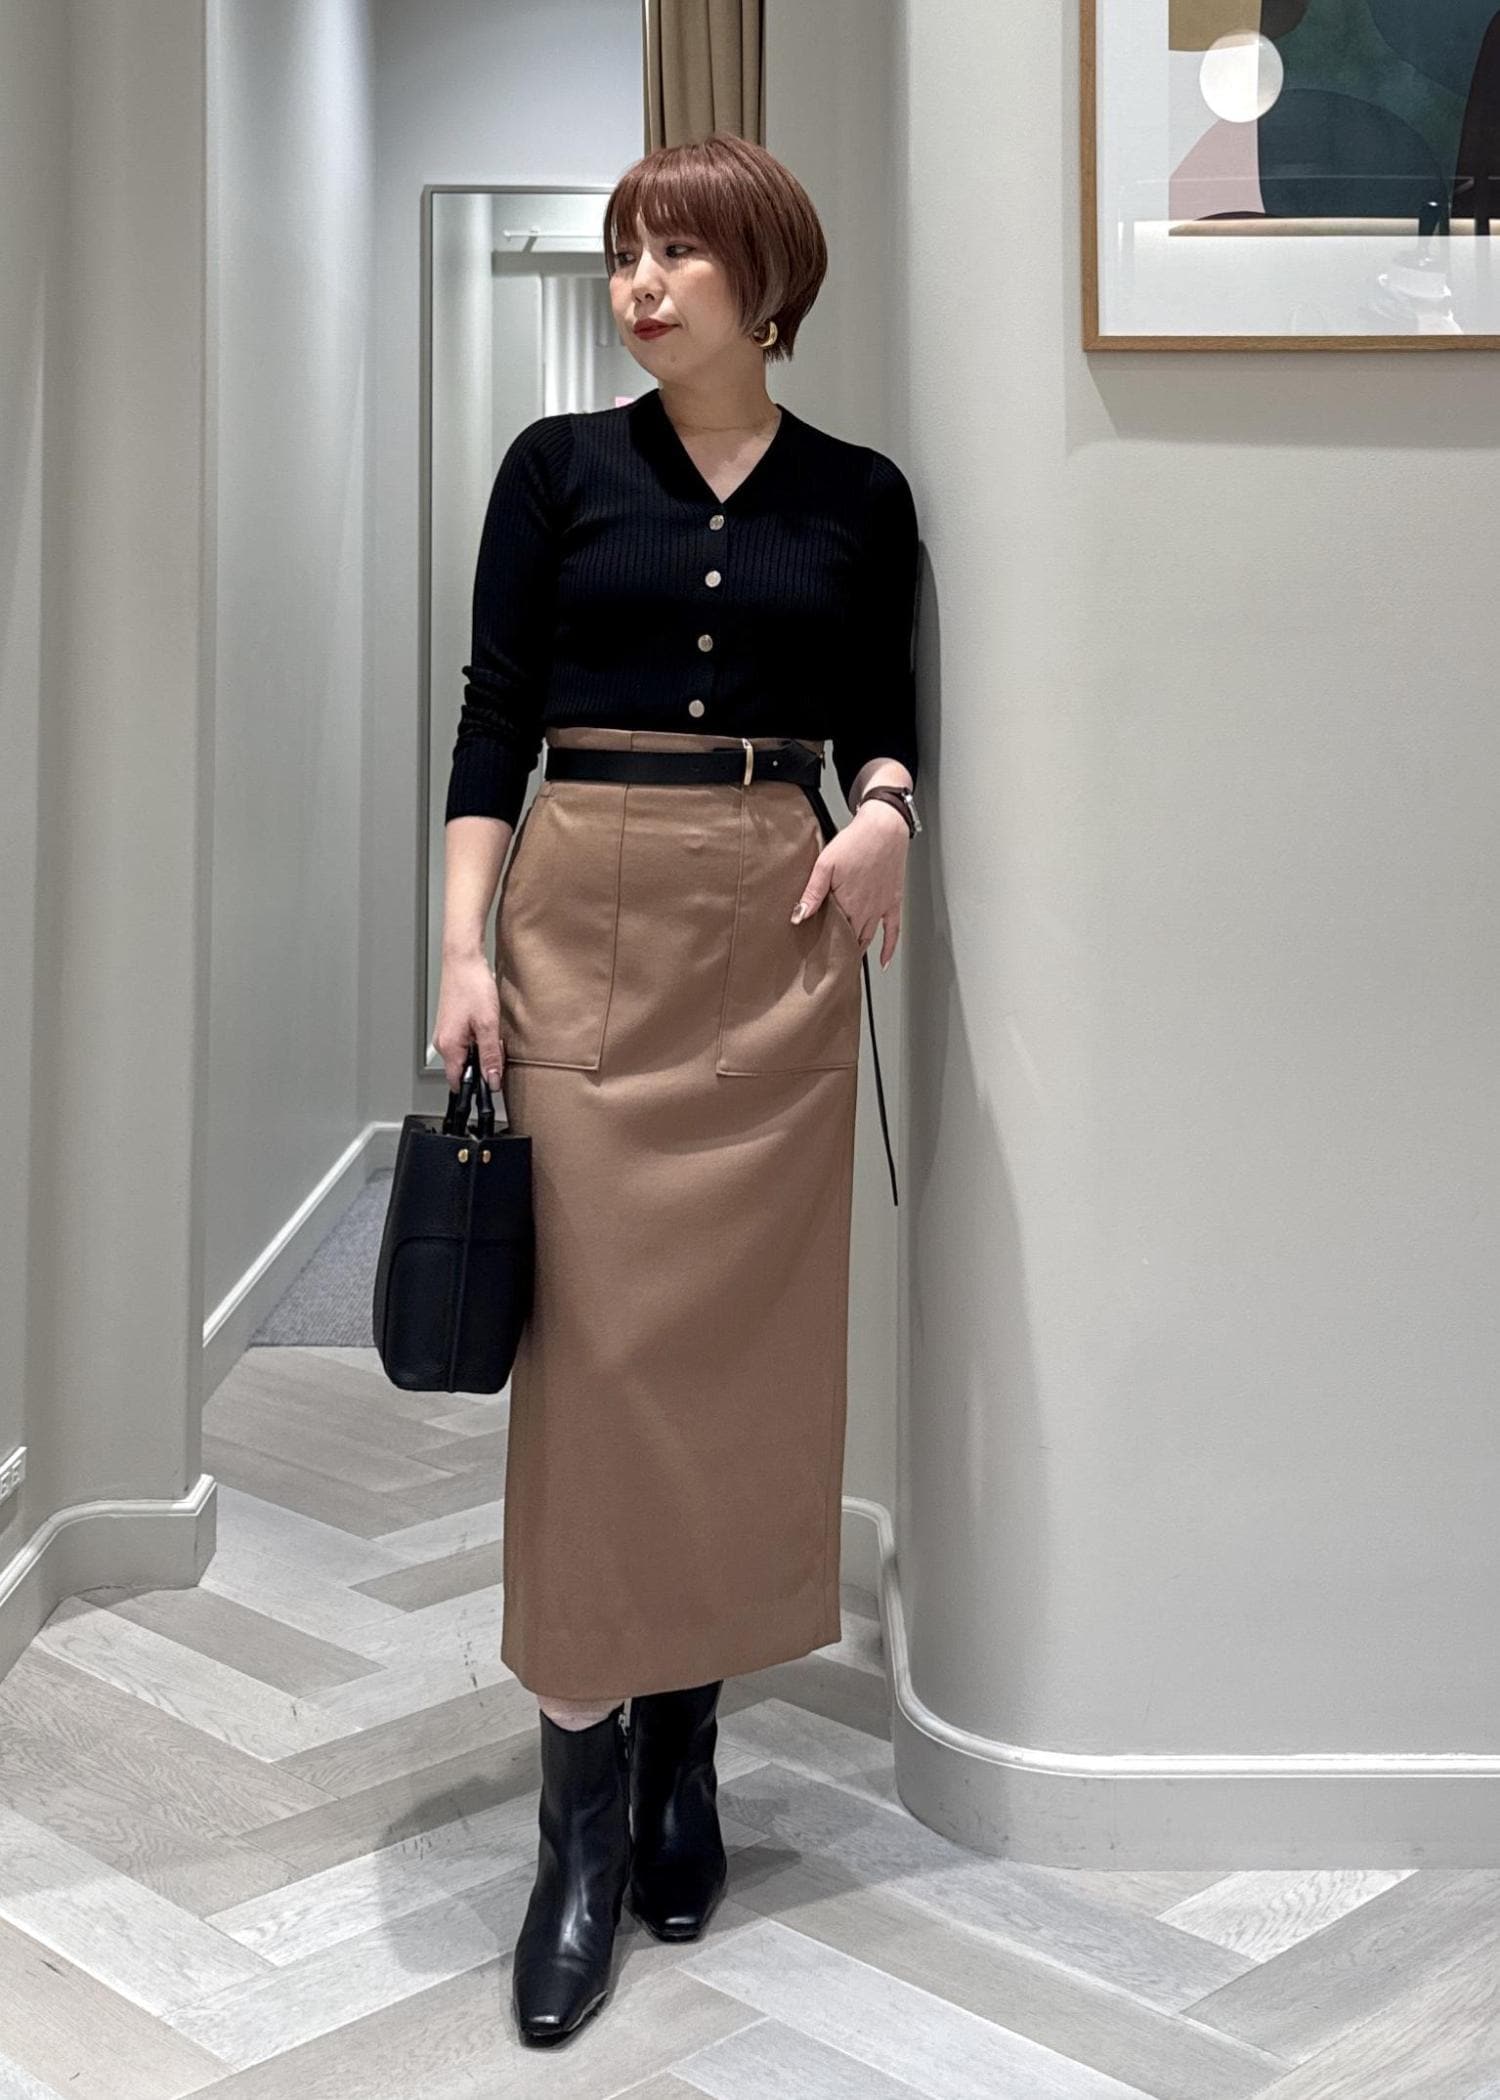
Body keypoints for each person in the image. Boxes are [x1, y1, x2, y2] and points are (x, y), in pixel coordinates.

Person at [435, 132, 922, 2047]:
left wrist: (886, 810)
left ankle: (685, 1753)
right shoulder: (556, 469)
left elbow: (880, 713)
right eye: (626, 252)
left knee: (740, 1359)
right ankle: (579, 1822)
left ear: (765, 281)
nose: (639, 283)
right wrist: (463, 950)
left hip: (772, 920)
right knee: (595, 1369)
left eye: (678, 253)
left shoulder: (859, 496)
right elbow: (493, 714)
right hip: (581, 913)